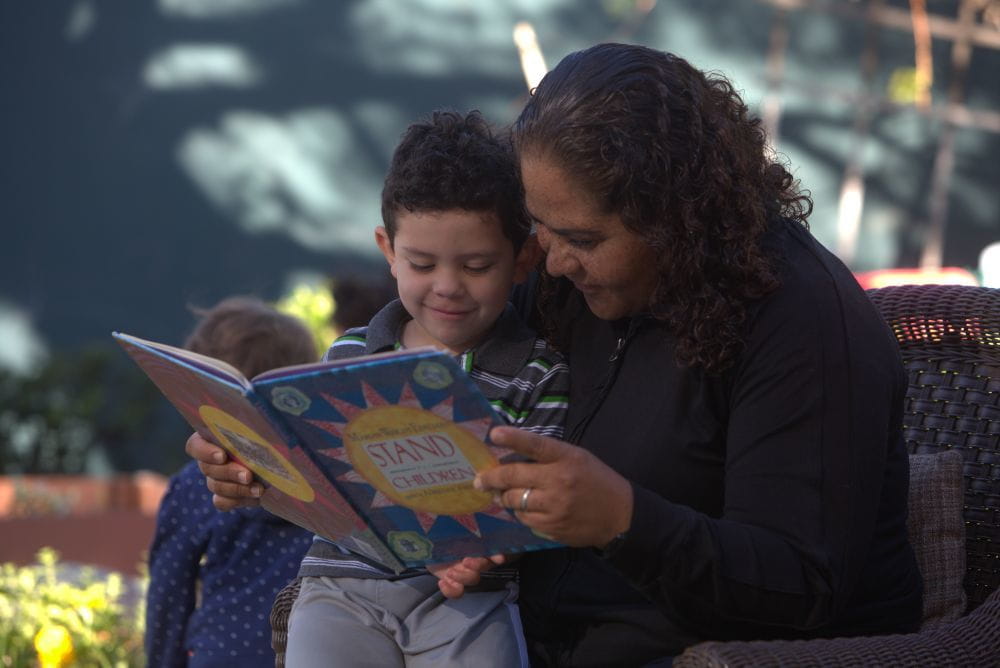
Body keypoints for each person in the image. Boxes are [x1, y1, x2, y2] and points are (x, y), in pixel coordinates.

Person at [190, 44, 923, 666]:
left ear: (677, 221)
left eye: (583, 239)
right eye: (540, 230)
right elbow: (435, 376)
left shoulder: (804, 322)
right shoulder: (572, 283)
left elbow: (801, 582)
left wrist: (623, 518)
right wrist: (278, 458)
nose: (553, 262)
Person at [192, 109, 569, 667]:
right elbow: (315, 475)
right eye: (421, 262)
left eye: (476, 265)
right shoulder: (349, 355)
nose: (447, 287)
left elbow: (540, 498)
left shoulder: (539, 372)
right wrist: (247, 459)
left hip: (468, 598)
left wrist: (485, 547)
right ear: (388, 251)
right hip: (340, 588)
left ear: (523, 260)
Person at [145, 296, 317, 667]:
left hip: (220, 654)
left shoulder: (194, 485)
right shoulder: (323, 482)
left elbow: (168, 593)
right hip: (309, 651)